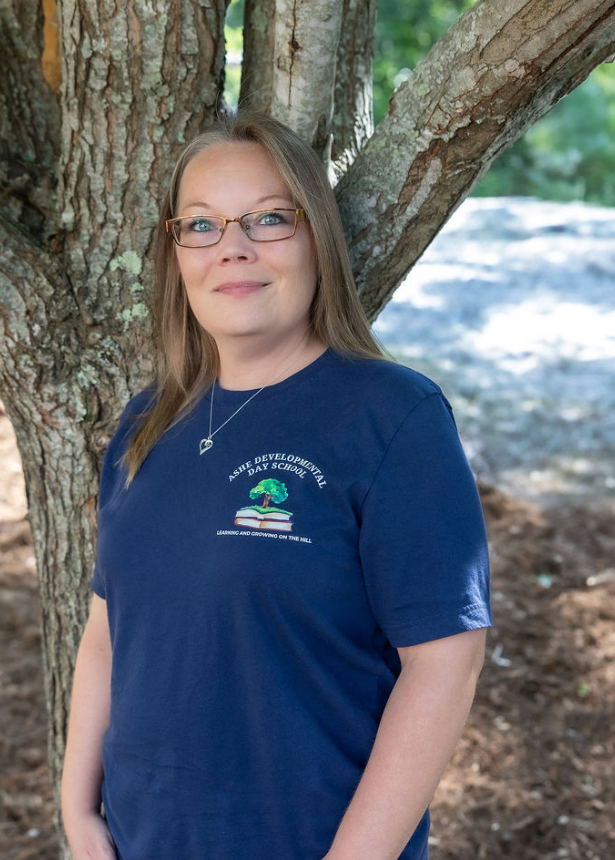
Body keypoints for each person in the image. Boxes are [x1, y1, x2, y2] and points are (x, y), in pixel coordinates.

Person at [60, 111, 492, 860]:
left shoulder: (392, 417)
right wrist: (77, 812)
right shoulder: (143, 427)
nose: (232, 247)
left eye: (267, 218)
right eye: (202, 225)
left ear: (316, 238)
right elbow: (107, 632)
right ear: (176, 254)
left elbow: (445, 664)